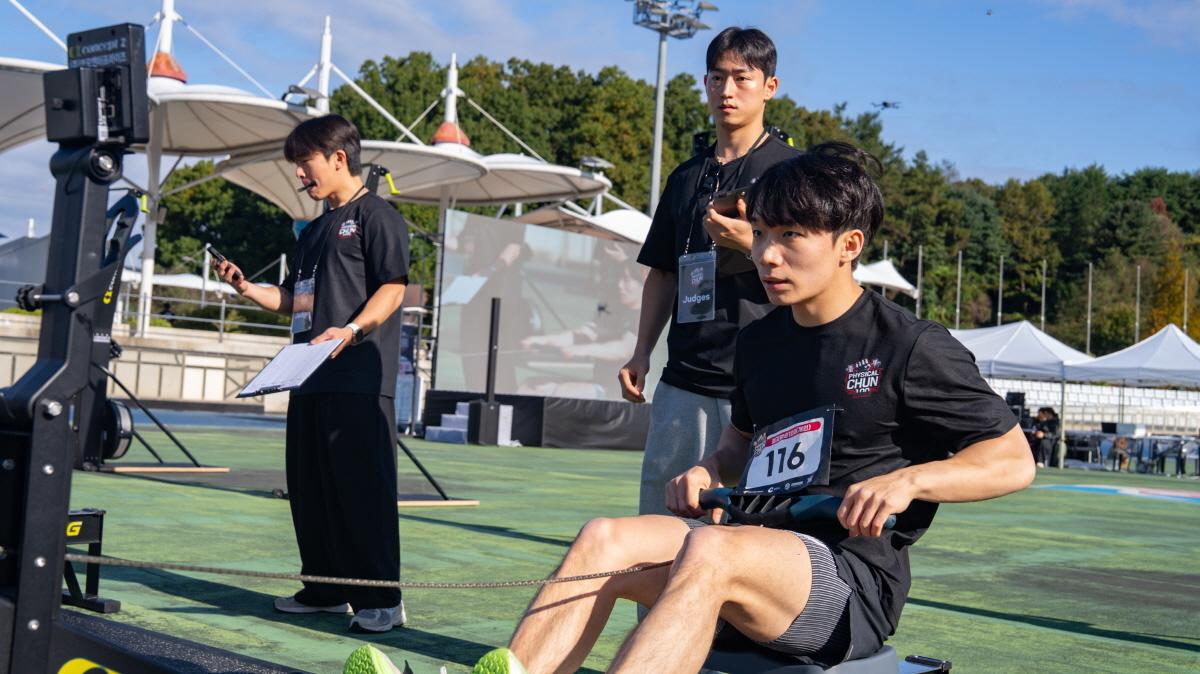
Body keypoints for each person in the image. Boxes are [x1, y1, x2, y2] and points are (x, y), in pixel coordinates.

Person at [347, 143, 1036, 674]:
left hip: (846, 583)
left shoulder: (910, 345)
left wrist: (910, 480)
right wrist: (708, 469)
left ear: (848, 246)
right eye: (761, 234)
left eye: (790, 237)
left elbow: (1012, 461)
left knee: (711, 547)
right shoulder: (762, 340)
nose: (767, 255)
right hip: (744, 550)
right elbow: (738, 444)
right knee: (604, 538)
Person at [213, 114, 410, 633]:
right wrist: (246, 288)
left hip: (357, 382)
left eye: (305, 163)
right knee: (311, 490)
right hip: (306, 378)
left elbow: (393, 287)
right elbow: (293, 300)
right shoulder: (315, 228)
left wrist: (351, 330)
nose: (299, 174)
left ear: (338, 158)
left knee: (361, 492)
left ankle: (382, 599)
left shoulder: (377, 216)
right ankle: (325, 589)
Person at [620, 27, 801, 516]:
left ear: (770, 87)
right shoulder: (685, 177)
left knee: (755, 532)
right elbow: (663, 273)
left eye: (742, 78)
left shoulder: (794, 174)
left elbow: (819, 270)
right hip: (684, 380)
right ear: (704, 83)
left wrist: (751, 242)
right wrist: (641, 352)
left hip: (769, 380)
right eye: (717, 78)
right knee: (663, 524)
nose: (727, 90)